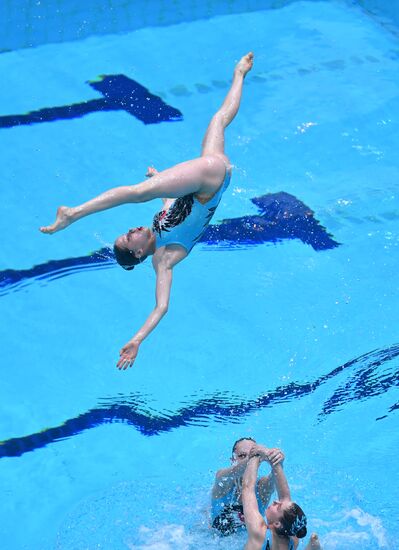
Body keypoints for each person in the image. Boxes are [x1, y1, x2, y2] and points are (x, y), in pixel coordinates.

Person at [40, 52, 254, 369]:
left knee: (218, 119)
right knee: (138, 194)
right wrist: (138, 339)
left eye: (127, 233)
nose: (131, 231)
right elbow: (161, 306)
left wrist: (159, 180)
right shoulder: (164, 258)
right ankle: (72, 214)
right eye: (129, 239)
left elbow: (171, 207)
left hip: (206, 182)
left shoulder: (157, 230)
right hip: (208, 186)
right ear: (139, 254)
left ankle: (239, 73)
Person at [242, 443, 322, 550]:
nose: (275, 501)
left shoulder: (259, 533)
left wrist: (255, 455)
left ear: (277, 523)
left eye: (278, 506)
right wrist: (272, 457)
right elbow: (285, 497)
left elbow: (247, 488)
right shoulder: (293, 538)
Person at [211, 437, 285, 536]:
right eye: (242, 455)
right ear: (232, 460)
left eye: (253, 454)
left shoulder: (261, 487)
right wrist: (259, 454)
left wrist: (277, 460)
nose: (248, 458)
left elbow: (277, 480)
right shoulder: (223, 479)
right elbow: (237, 469)